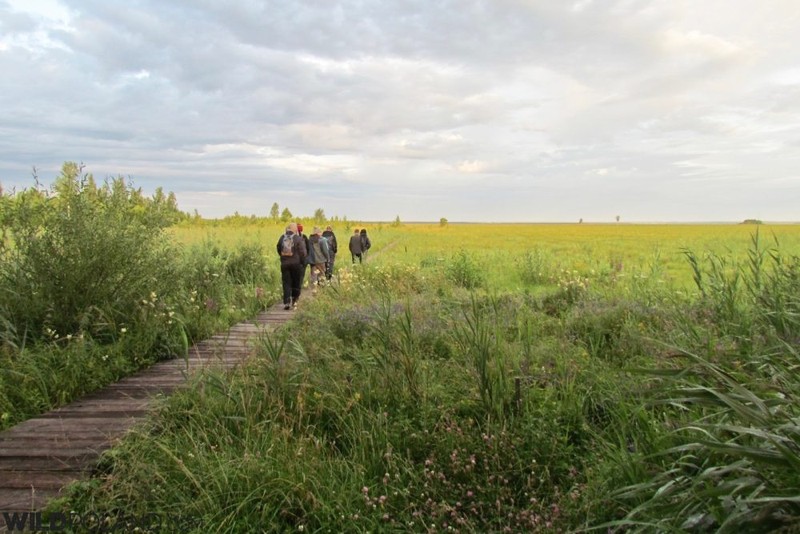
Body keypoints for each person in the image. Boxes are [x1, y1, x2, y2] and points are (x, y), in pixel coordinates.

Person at [276, 222, 307, 310]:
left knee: (286, 282)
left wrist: (283, 257)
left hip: (284, 264)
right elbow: (303, 252)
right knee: (296, 282)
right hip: (296, 264)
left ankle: (286, 302)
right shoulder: (298, 238)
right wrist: (302, 262)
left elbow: (278, 248)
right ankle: (295, 300)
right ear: (295, 229)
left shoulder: (282, 237)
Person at [306, 227, 330, 292]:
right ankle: (322, 289)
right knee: (322, 274)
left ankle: (314, 289)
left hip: (312, 261)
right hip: (321, 260)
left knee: (314, 275)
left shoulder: (310, 240)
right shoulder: (322, 240)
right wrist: (328, 258)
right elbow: (325, 251)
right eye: (320, 232)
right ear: (319, 233)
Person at [296, 222, 310, 287]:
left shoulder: (293, 237)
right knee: (302, 274)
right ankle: (299, 286)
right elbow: (308, 248)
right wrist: (307, 257)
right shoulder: (304, 237)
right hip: (303, 259)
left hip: (294, 259)